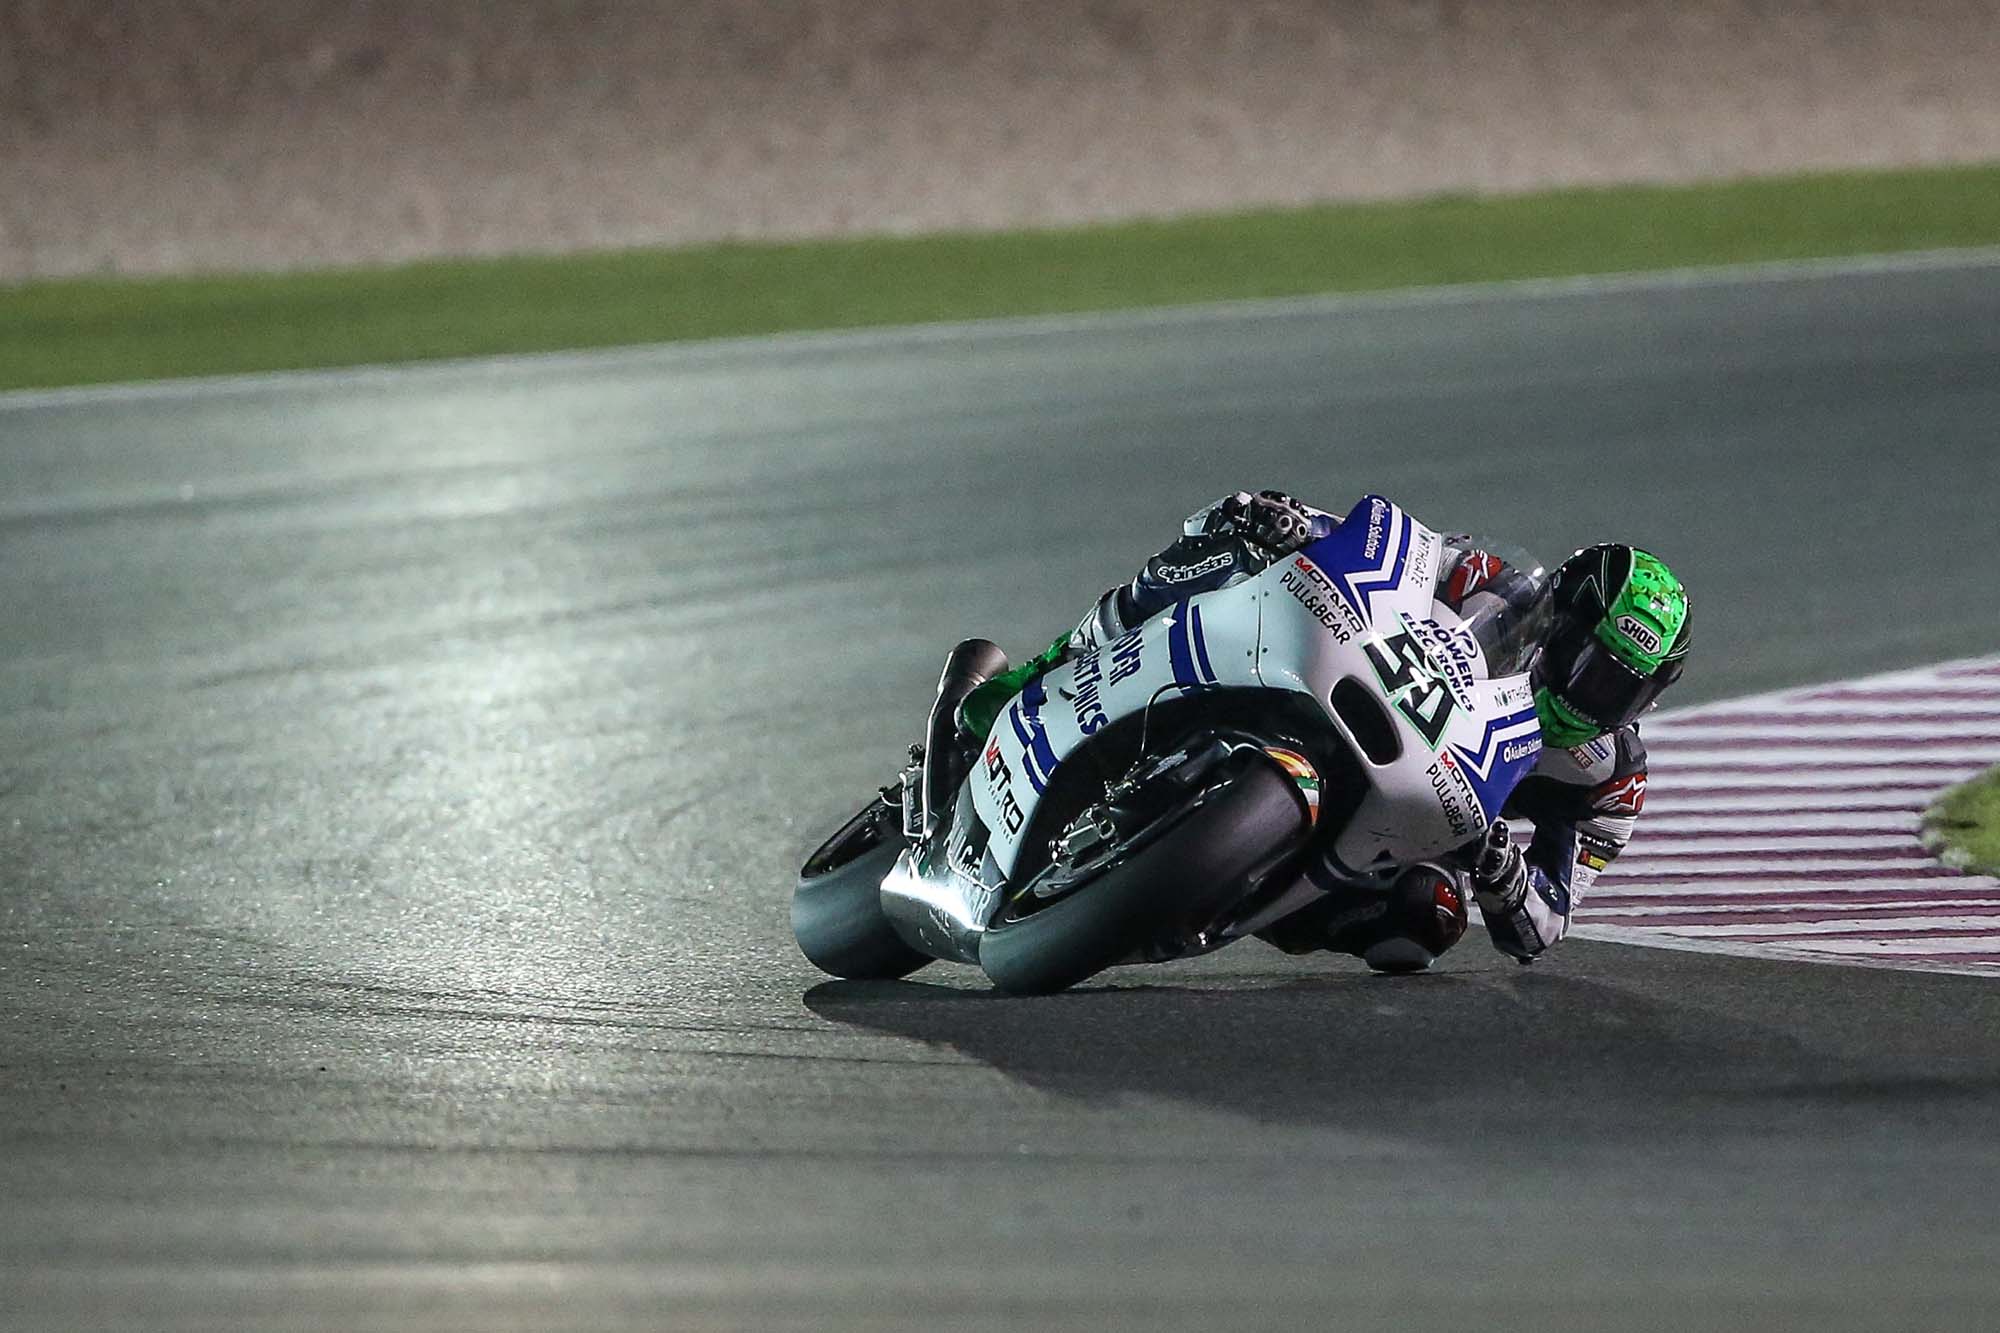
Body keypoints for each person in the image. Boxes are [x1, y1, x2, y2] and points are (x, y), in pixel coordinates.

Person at [959, 490, 1691, 973]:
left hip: (1416, 821)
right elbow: (1400, 554)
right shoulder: (1490, 581)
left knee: (1428, 919)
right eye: (1582, 661)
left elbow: (1546, 923)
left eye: (1616, 688)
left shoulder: (1610, 780)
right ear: (1557, 618)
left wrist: (1503, 871)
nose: (1587, 693)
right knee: (1230, 539)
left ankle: (1231, 893)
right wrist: (1296, 524)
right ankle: (1049, 667)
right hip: (1366, 684)